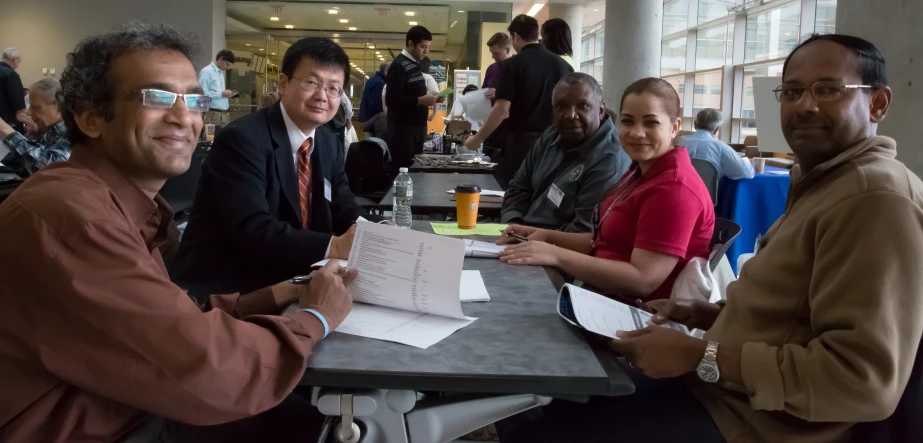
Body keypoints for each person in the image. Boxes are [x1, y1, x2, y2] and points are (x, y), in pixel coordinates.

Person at [500, 34, 923, 443]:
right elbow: (791, 313)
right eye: (792, 92)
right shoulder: (825, 183)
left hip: (753, 421)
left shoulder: (875, 199)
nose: (805, 105)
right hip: (720, 387)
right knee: (533, 406)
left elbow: (862, 381)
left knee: (538, 425)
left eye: (828, 89)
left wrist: (700, 357)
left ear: (877, 103)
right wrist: (705, 313)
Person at [0, 22, 356, 443]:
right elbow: (211, 374)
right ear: (90, 117)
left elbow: (173, 320)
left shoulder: (114, 203)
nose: (183, 116)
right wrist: (316, 318)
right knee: (330, 423)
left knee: (320, 412)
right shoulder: (75, 217)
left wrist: (286, 293)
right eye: (158, 97)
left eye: (194, 100)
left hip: (128, 401)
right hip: (110, 425)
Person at [172, 37, 370, 297]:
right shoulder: (242, 139)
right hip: (226, 292)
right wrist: (334, 246)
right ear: (284, 85)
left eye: (334, 88)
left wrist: (376, 233)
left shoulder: (326, 141)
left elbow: (343, 206)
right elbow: (253, 228)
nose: (323, 96)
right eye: (312, 83)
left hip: (293, 277)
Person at [497, 77, 714, 302]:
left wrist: (555, 254)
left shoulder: (674, 188)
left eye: (650, 123)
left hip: (633, 314)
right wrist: (547, 236)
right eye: (628, 122)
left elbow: (643, 280)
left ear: (675, 127)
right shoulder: (641, 172)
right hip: (597, 294)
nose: (636, 133)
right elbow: (606, 242)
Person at [501, 73, 631, 233]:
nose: (570, 115)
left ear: (601, 111)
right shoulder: (551, 135)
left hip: (556, 251)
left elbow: (584, 232)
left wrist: (527, 237)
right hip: (521, 237)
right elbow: (518, 187)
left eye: (583, 106)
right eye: (560, 106)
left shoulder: (609, 160)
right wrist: (513, 224)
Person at [464, 14, 573, 185]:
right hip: (554, 143)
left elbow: (502, 110)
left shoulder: (512, 65)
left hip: (521, 145)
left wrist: (476, 139)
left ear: (515, 36)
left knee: (515, 194)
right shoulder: (564, 66)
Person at [385, 25, 442, 171]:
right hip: (403, 131)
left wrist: (434, 98)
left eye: (427, 47)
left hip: (417, 128)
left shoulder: (414, 64)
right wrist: (421, 101)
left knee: (416, 170)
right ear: (410, 44)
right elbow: (391, 100)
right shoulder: (400, 66)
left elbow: (413, 93)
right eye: (423, 47)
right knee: (404, 171)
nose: (426, 51)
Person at [0, 78, 71, 177]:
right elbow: (28, 167)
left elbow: (49, 169)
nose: (28, 113)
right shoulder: (50, 133)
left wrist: (5, 129)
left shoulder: (72, 134)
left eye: (36, 107)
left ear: (57, 107)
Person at [682, 108, 755, 179]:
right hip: (709, 191)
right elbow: (746, 172)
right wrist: (745, 161)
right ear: (717, 129)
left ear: (695, 124)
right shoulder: (720, 147)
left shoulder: (677, 142)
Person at [481, 32, 513, 158]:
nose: (493, 57)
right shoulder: (492, 69)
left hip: (508, 128)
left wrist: (499, 93)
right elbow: (484, 92)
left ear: (508, 49)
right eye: (491, 53)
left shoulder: (519, 67)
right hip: (490, 126)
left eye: (496, 53)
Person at [198, 49, 236, 126]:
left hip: (225, 114)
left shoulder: (220, 73)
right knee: (211, 137)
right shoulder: (207, 71)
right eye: (227, 64)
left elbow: (218, 93)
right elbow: (201, 94)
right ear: (221, 59)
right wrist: (221, 94)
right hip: (213, 114)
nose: (228, 68)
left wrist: (227, 94)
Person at [0, 48, 26, 133]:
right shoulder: (11, 75)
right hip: (8, 125)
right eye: (19, 61)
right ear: (15, 59)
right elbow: (19, 105)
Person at [420, 57, 440, 122]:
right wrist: (434, 113)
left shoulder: (406, 76)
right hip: (420, 115)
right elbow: (436, 94)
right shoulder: (427, 77)